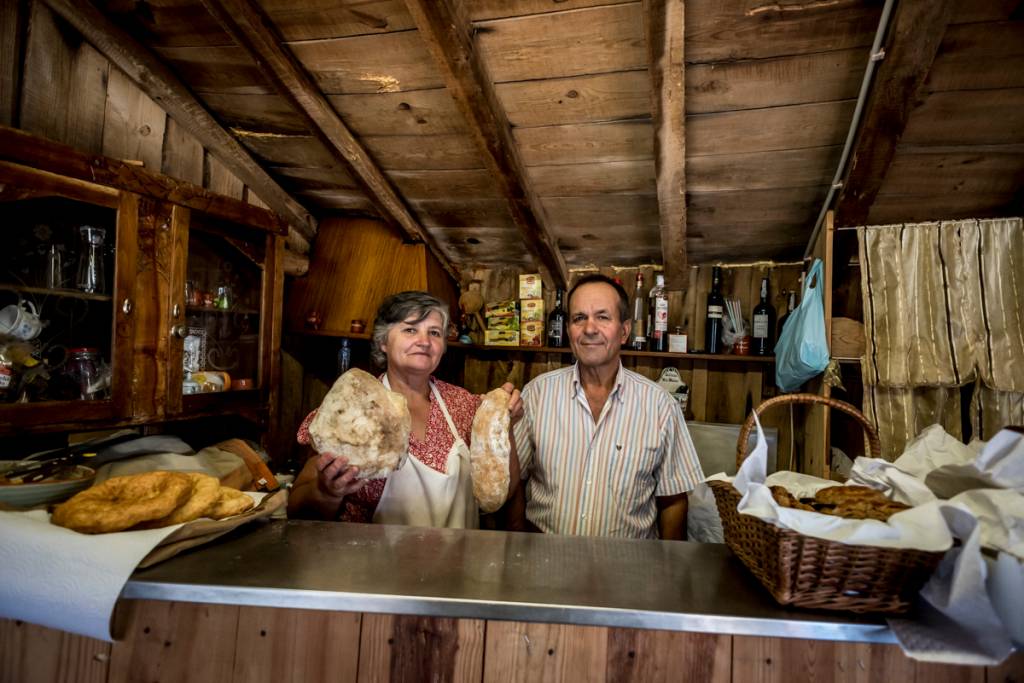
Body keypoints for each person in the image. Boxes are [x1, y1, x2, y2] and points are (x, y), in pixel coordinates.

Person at [288, 291, 522, 527]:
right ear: (383, 342)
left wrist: (505, 422)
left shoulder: (465, 405)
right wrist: (326, 491)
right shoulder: (351, 405)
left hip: (458, 561)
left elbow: (503, 491)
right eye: (410, 329)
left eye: (434, 332)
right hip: (372, 560)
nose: (424, 341)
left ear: (442, 346)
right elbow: (298, 510)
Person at [510, 274, 704, 539]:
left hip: (630, 571)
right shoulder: (538, 394)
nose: (590, 329)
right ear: (569, 331)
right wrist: (519, 546)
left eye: (602, 317)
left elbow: (673, 499)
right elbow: (514, 481)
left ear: (624, 331)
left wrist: (670, 572)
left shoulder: (659, 406)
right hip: (546, 567)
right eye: (579, 318)